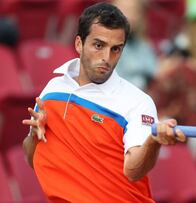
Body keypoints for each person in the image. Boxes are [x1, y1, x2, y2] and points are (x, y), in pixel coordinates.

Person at [22, 3, 185, 202]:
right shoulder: (52, 90)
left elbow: (133, 171)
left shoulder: (138, 102)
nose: (106, 58)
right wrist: (34, 136)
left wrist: (153, 142)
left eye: (116, 49)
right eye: (98, 46)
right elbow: (33, 159)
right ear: (79, 44)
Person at [112, 0, 158, 90]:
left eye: (134, 11)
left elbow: (154, 71)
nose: (130, 16)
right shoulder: (108, 45)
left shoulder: (142, 44)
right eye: (125, 10)